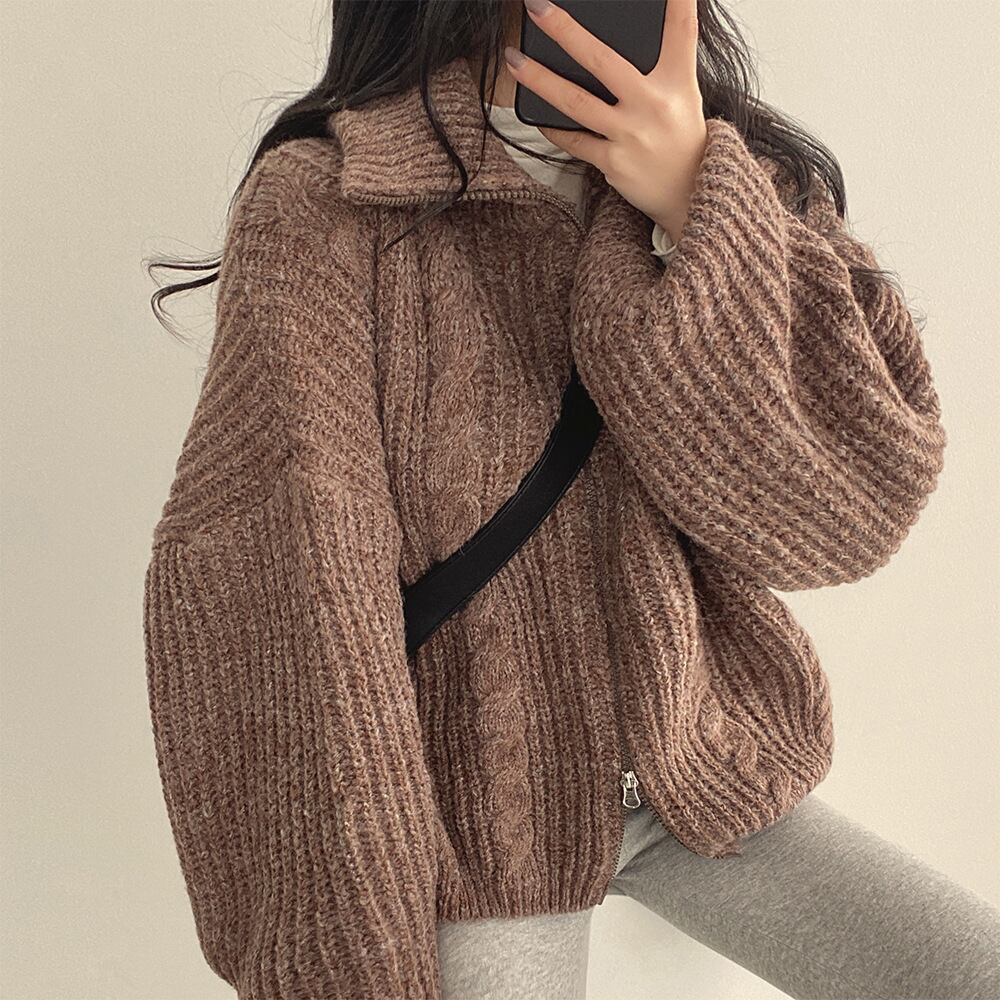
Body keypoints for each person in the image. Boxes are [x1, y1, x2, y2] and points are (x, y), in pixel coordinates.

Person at [143, 1, 1000, 997]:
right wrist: (359, 941)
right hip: (462, 816)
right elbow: (296, 587)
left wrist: (694, 208)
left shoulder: (745, 179)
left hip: (697, 768)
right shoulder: (332, 199)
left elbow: (839, 522)